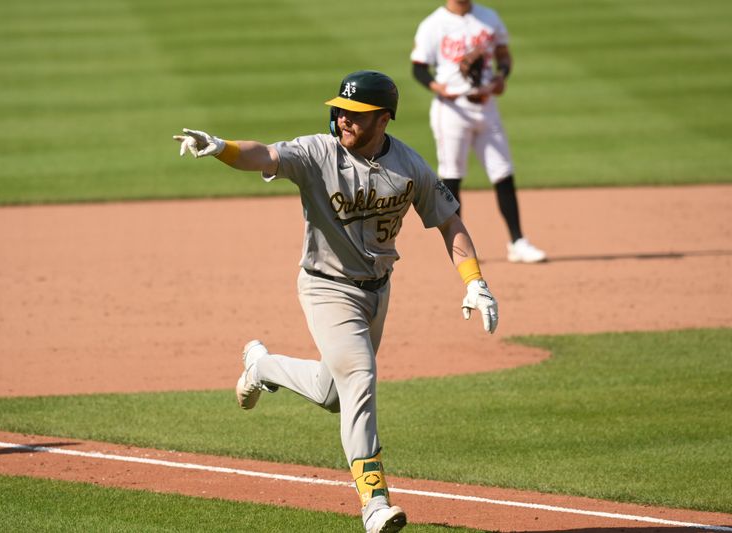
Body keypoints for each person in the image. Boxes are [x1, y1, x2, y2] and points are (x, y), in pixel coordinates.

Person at [173, 70, 498, 533]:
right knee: (360, 378)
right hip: (327, 287)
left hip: (377, 292)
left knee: (333, 392)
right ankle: (374, 502)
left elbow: (450, 222)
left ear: (384, 119)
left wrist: (475, 282)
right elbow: (264, 154)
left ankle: (262, 367)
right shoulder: (315, 153)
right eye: (340, 109)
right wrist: (221, 147)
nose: (343, 119)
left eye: (357, 114)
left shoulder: (410, 166)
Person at [411, 0, 547, 263]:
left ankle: (517, 241)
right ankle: (460, 249)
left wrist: (501, 76)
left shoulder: (488, 17)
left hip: (487, 107)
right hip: (451, 110)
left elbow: (503, 55)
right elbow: (418, 68)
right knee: (452, 176)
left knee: (503, 171)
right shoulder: (432, 25)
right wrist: (438, 88)